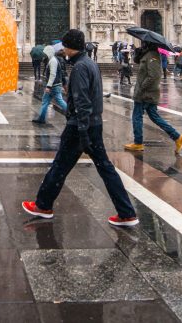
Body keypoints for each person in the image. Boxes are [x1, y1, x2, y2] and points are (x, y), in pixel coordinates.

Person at [23, 28, 139, 227]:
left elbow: (82, 101)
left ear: (70, 47)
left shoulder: (79, 68)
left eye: (65, 46)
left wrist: (83, 131)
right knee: (104, 168)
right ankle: (127, 212)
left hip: (80, 126)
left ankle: (43, 206)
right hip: (93, 124)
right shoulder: (90, 64)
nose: (64, 50)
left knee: (60, 165)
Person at [124, 41, 182, 154]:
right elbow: (139, 64)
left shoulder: (153, 56)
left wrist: (142, 88)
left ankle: (138, 143)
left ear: (149, 44)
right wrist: (138, 53)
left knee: (137, 117)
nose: (142, 45)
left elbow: (154, 76)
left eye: (144, 44)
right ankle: (177, 137)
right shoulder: (148, 54)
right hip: (148, 93)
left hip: (145, 94)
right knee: (154, 117)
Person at [32, 47, 68, 124]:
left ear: (49, 52)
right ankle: (41, 119)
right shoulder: (52, 60)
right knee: (47, 101)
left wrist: (48, 86)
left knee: (59, 101)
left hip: (53, 86)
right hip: (54, 85)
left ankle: (72, 114)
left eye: (46, 53)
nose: (44, 55)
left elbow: (53, 74)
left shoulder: (53, 61)